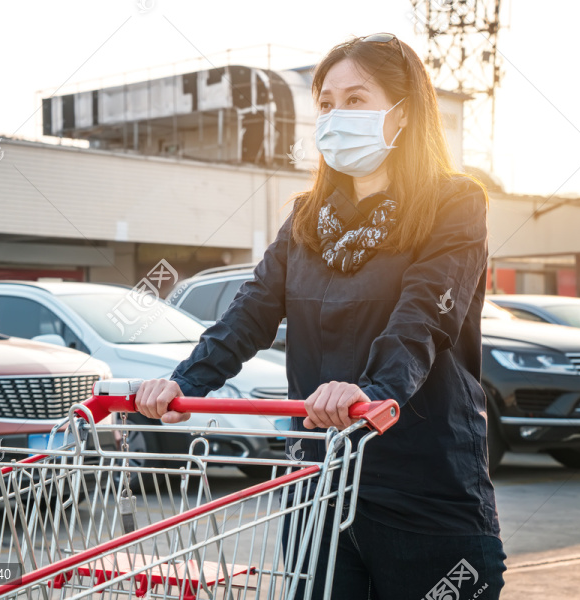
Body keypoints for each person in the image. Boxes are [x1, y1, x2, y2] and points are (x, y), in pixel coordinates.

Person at [134, 33, 506, 599]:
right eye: (326, 105)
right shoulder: (308, 220)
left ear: (406, 114)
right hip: (320, 491)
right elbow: (249, 313)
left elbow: (424, 316)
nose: (335, 117)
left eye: (356, 100)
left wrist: (371, 392)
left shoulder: (454, 204)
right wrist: (184, 382)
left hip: (424, 496)